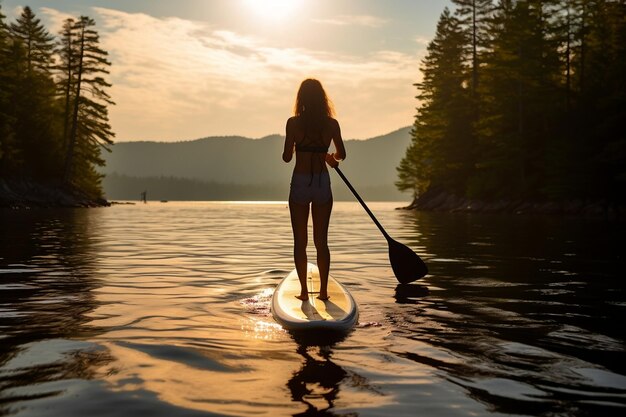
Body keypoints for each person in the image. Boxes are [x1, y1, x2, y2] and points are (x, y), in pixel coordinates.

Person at [282, 79, 346, 301]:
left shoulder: (292, 123)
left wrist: (293, 146)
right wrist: (330, 157)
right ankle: (324, 292)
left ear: (301, 99)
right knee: (322, 241)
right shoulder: (331, 124)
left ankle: (302, 292)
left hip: (300, 183)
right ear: (322, 98)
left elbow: (286, 158)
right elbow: (341, 154)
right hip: (321, 183)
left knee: (300, 241)